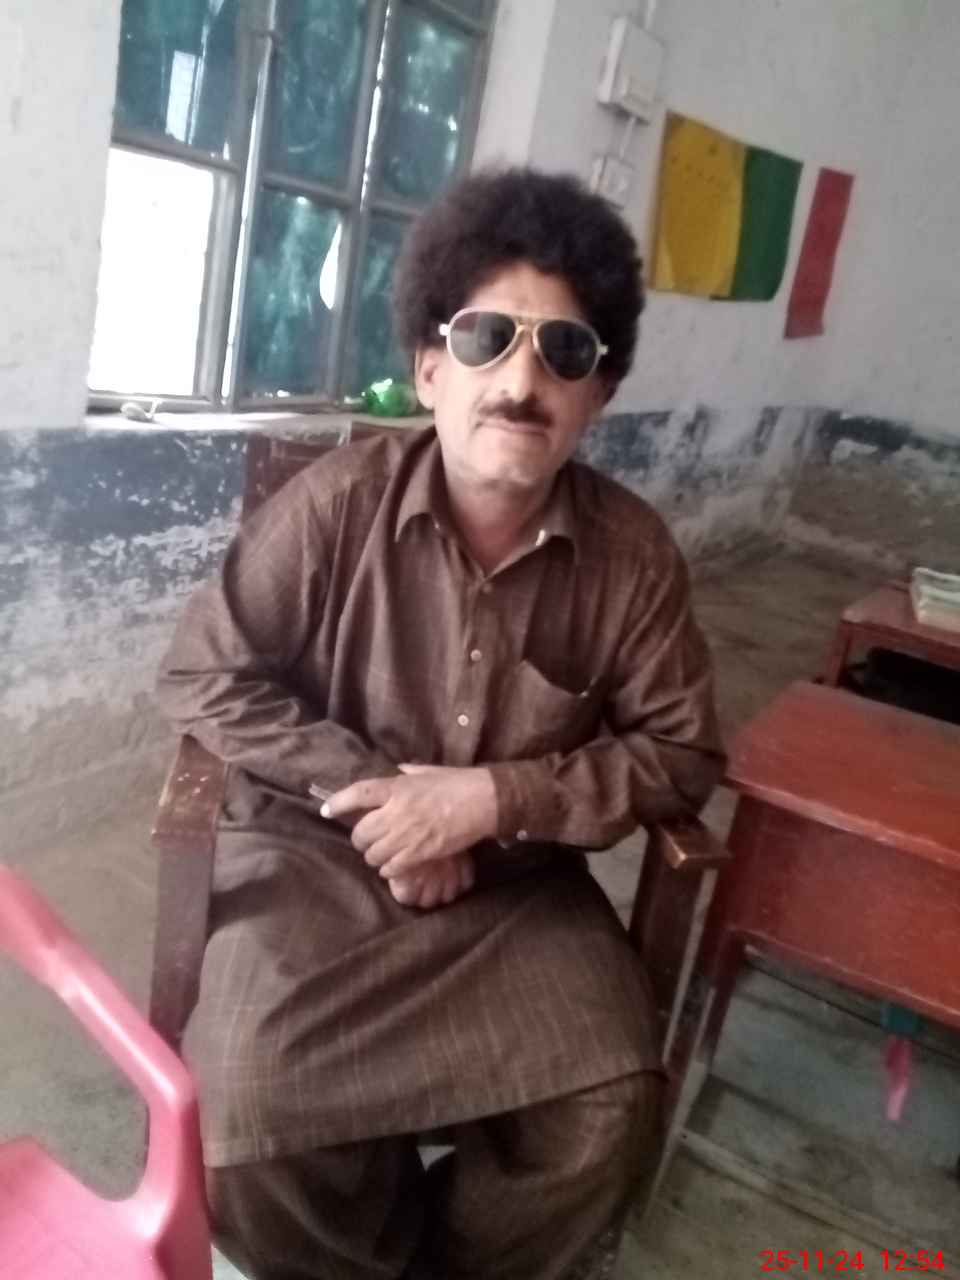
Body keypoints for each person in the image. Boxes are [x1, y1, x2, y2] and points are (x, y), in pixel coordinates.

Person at [157, 167, 725, 1280]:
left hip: (514, 890)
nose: (521, 380)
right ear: (429, 369)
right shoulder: (336, 506)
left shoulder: (633, 559)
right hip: (315, 858)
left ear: (599, 395)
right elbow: (205, 670)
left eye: (565, 352)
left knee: (608, 1103)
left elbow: (683, 751)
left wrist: (490, 801)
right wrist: (376, 795)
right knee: (250, 1108)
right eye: (486, 338)